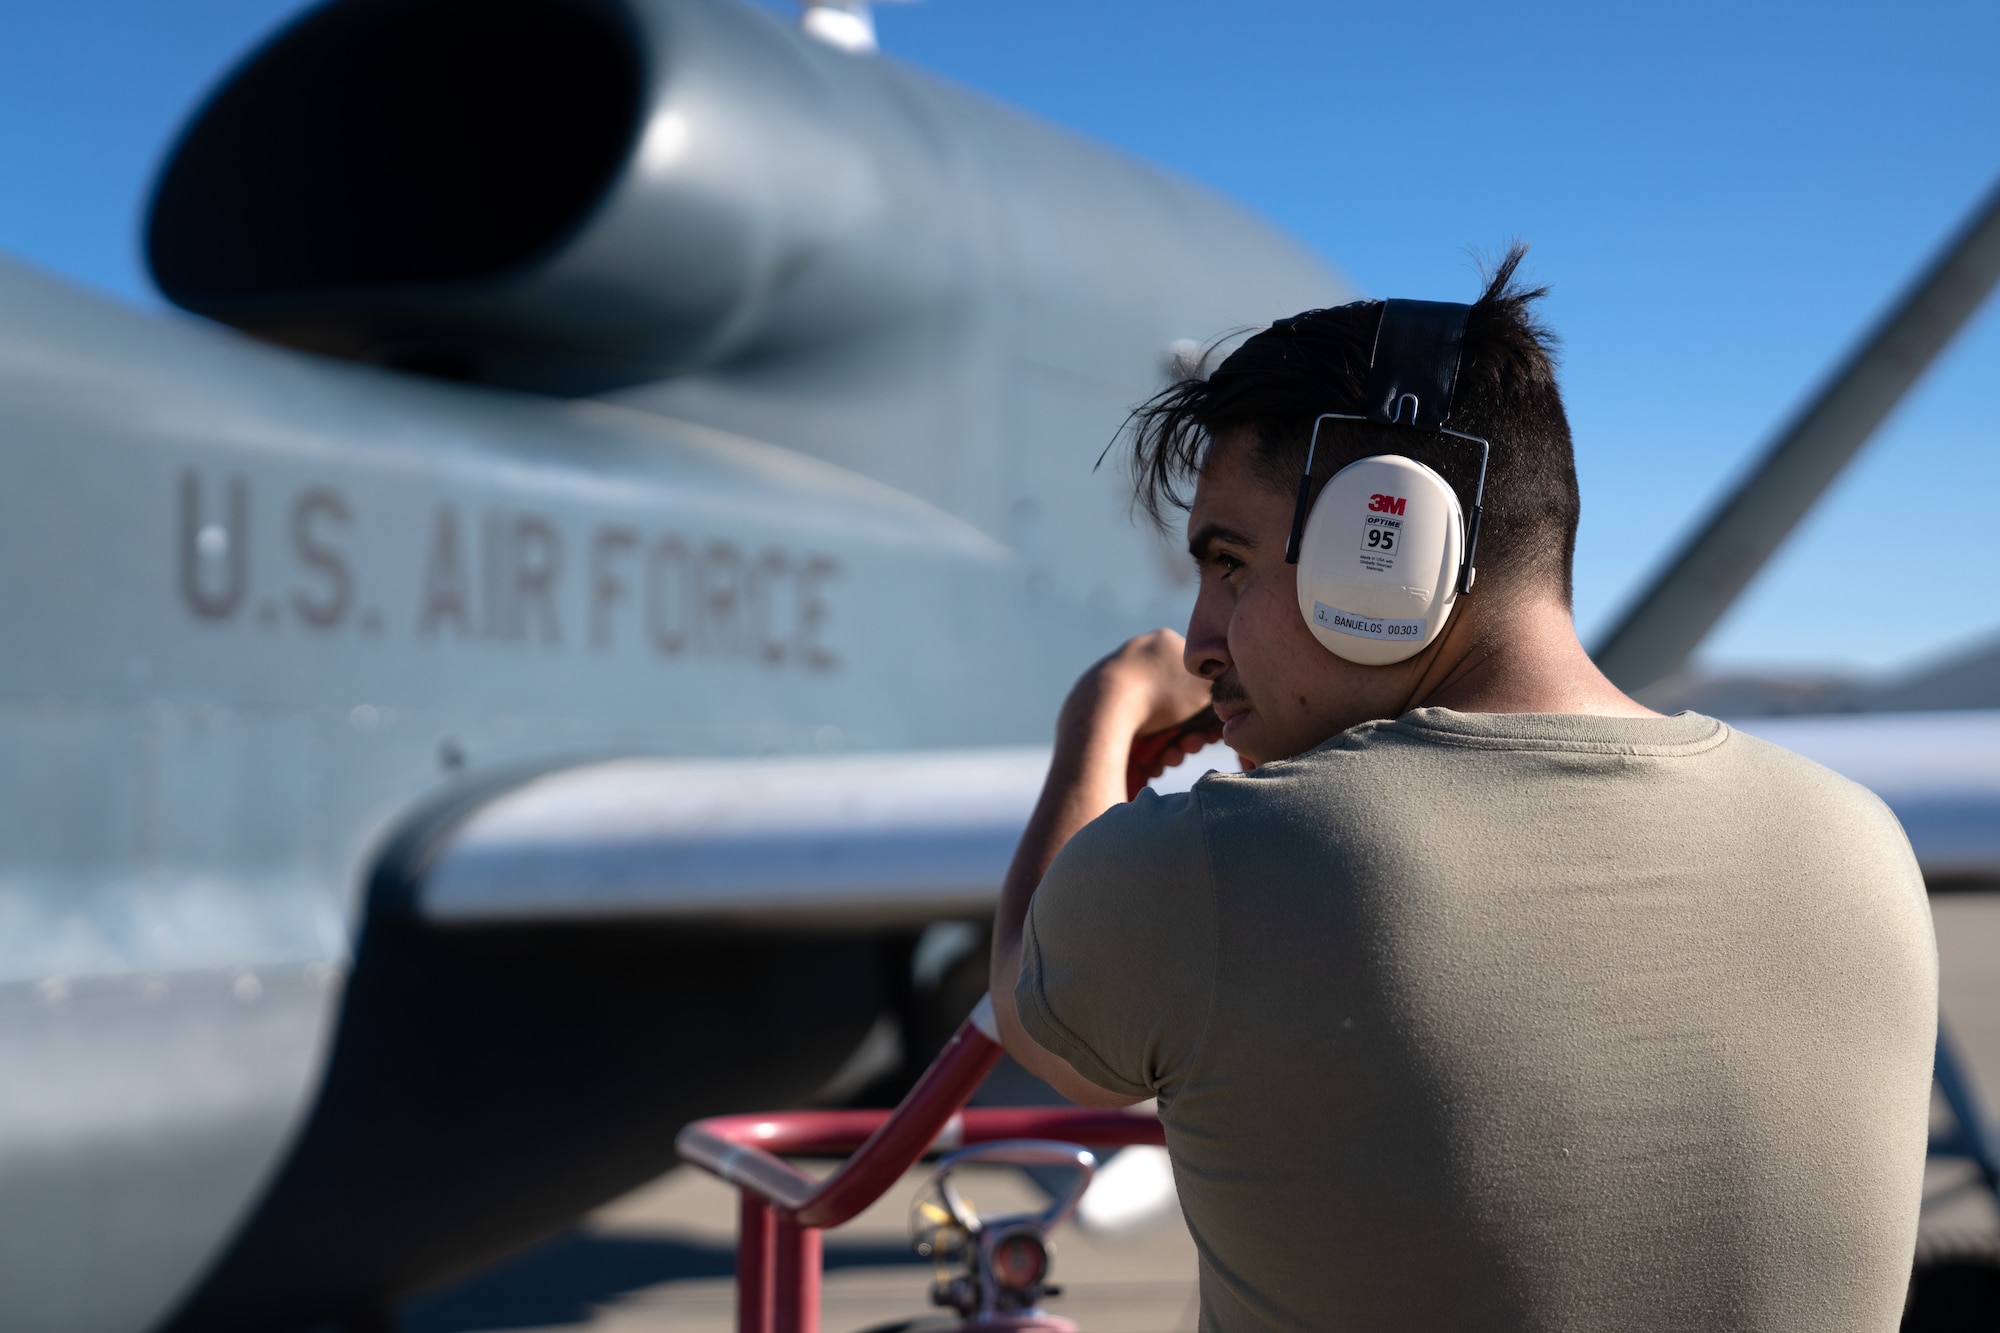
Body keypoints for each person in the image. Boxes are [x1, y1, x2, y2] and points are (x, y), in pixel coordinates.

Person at [988, 248, 1937, 1331]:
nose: (1202, 638)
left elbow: (1037, 1020)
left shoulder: (1218, 865)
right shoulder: (1857, 838)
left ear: (1379, 550)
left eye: (1229, 563)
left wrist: (1094, 723)